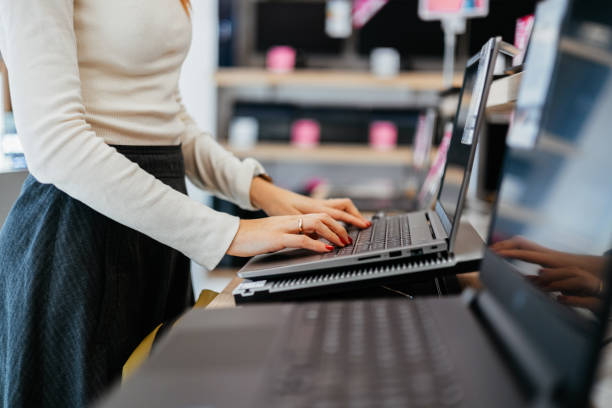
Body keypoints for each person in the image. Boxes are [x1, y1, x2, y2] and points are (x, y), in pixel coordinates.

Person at [0, 0, 370, 406]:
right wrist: (230, 232)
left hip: (156, 235)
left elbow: (168, 120)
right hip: (78, 243)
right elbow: (55, 144)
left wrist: (268, 195)